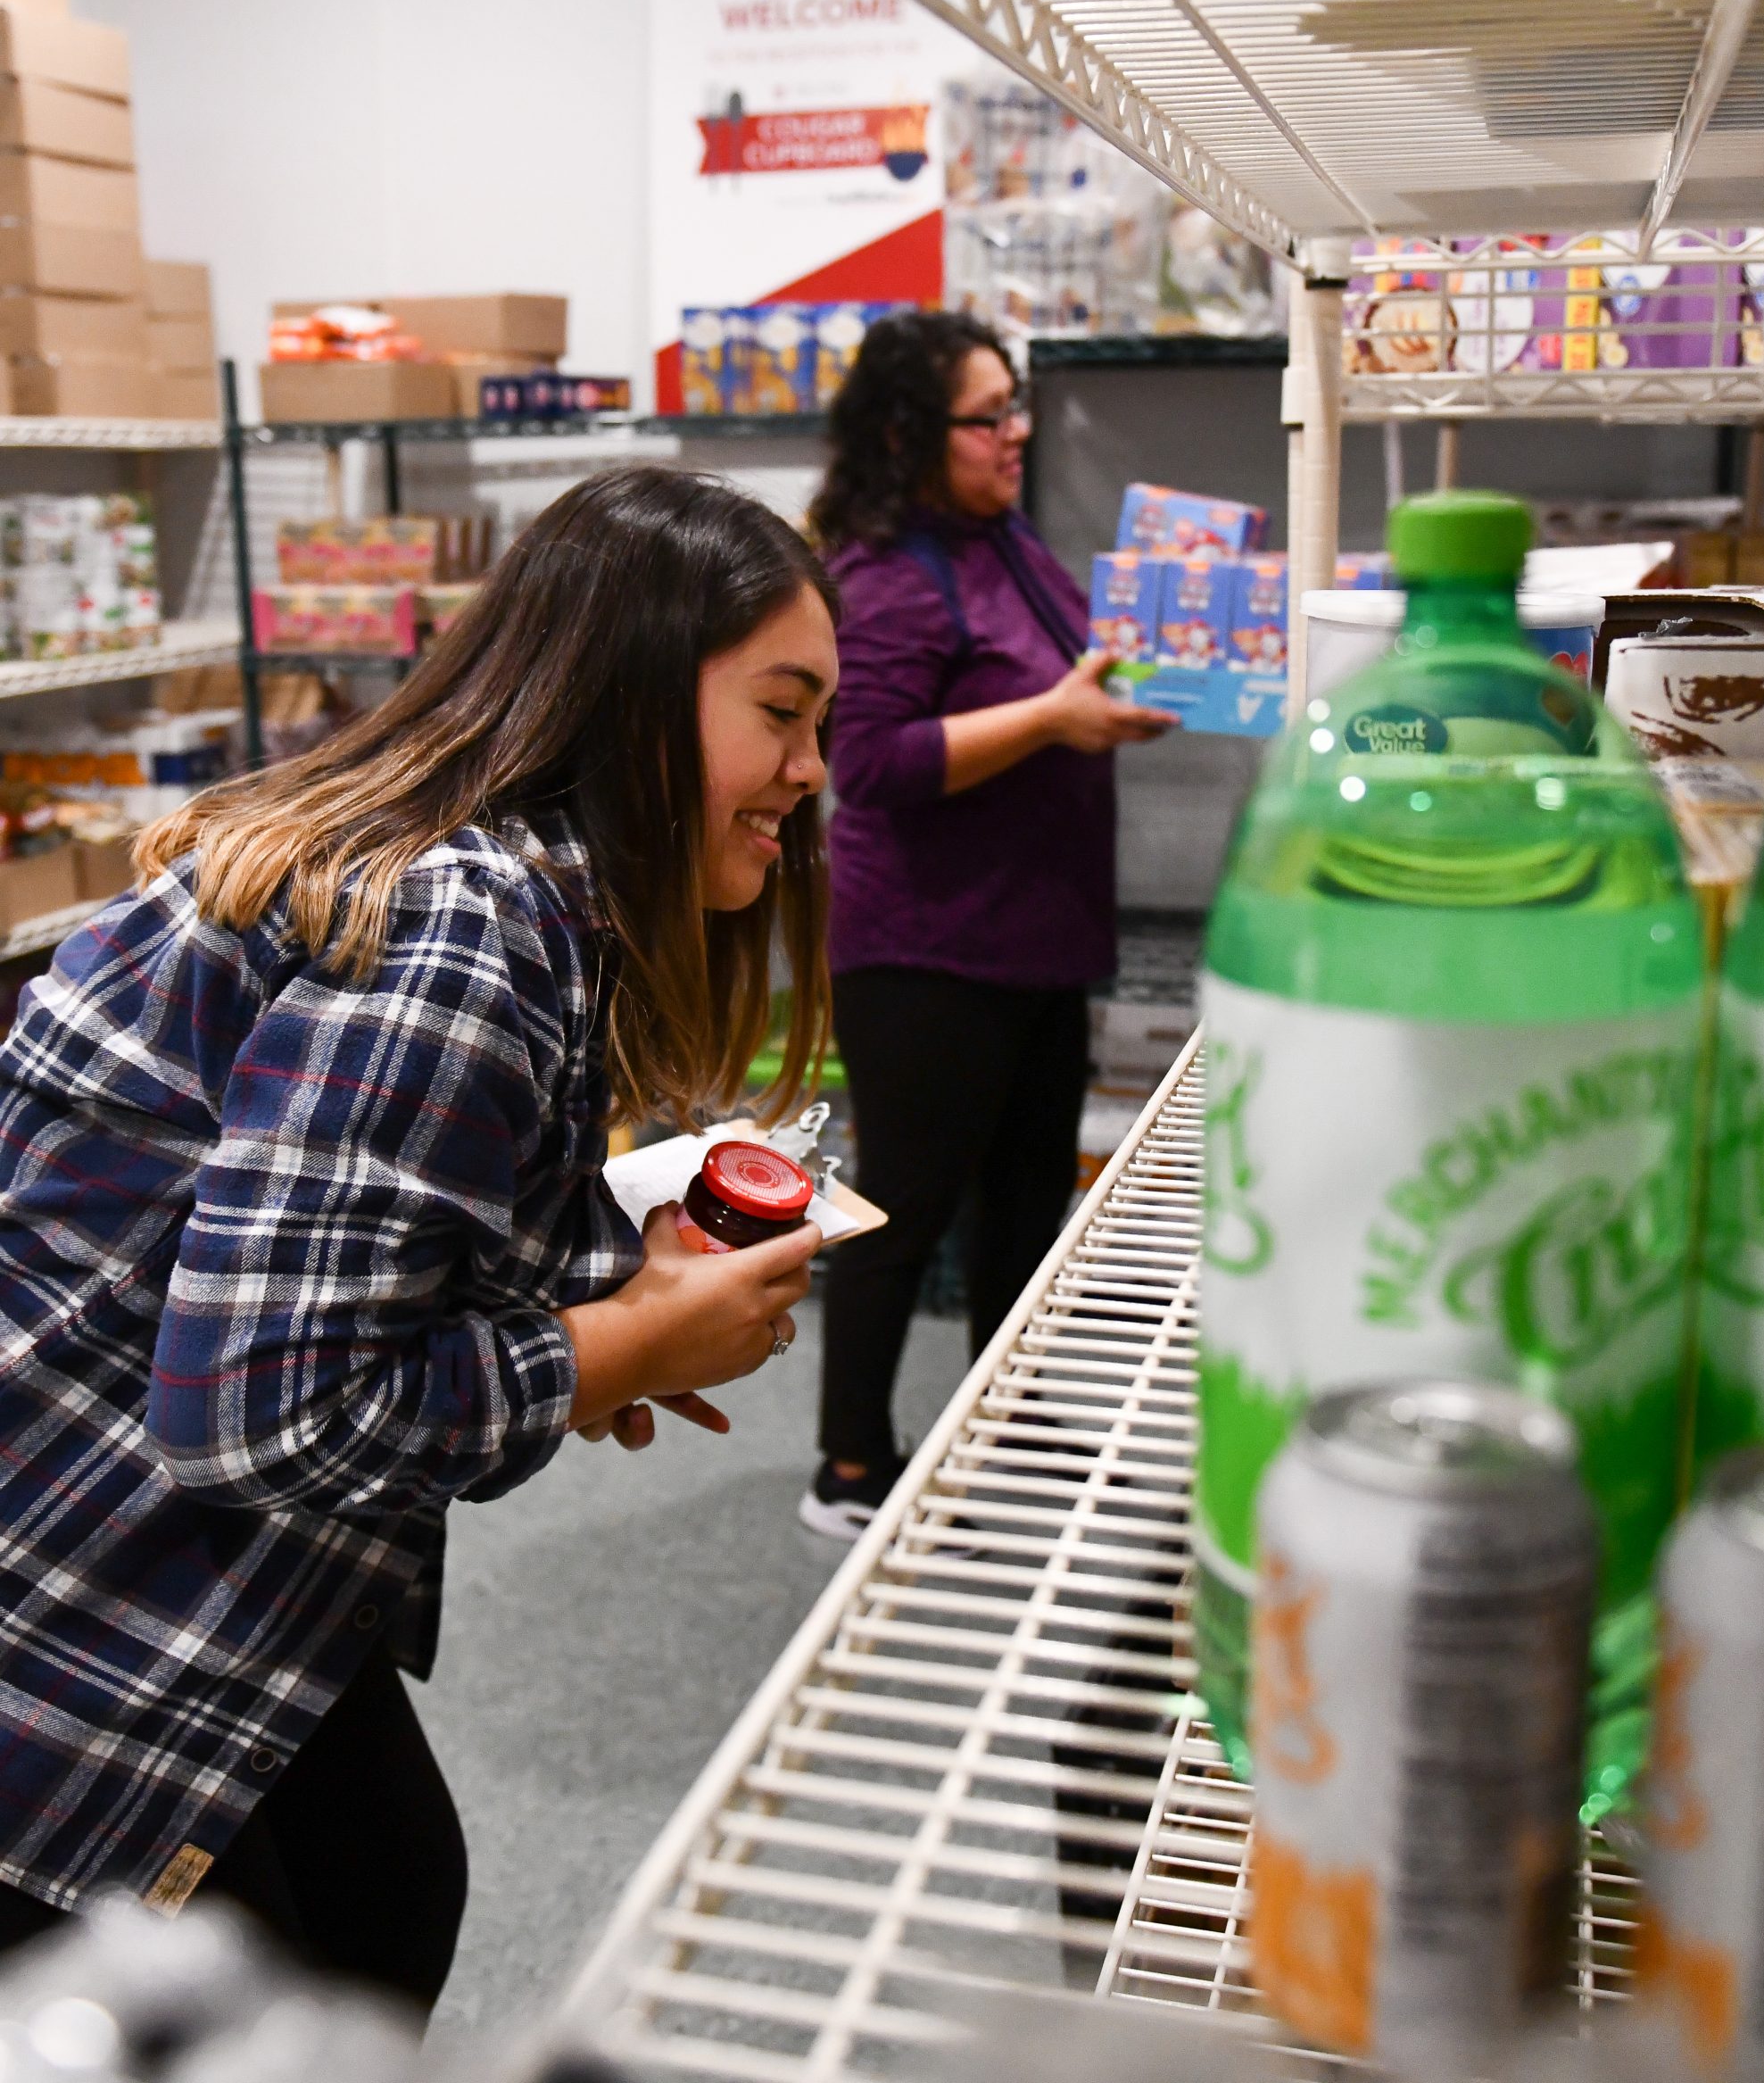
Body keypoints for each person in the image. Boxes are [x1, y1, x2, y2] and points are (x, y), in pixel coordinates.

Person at [0, 466, 836, 2013]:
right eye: (781, 714)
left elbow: (370, 1222)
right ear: (634, 700)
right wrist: (612, 1346)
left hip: (150, 1550)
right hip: (66, 1608)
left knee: (386, 1885)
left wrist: (610, 1294)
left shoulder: (493, 891)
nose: (808, 770)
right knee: (292, 1974)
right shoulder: (465, 933)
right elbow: (265, 1413)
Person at [799, 311, 1176, 1538]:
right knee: (901, 1213)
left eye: (1017, 407)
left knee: (1026, 1207)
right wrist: (1054, 722)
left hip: (1033, 934)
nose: (1016, 433)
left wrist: (1131, 682)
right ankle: (850, 1466)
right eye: (987, 415)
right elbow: (876, 762)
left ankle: (1004, 1427)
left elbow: (1057, 677)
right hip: (927, 948)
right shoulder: (882, 573)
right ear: (911, 433)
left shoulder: (1002, 542)